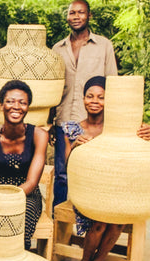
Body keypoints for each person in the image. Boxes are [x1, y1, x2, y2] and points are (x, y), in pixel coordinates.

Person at [66, 76, 150, 261]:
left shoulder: (123, 128)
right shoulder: (74, 128)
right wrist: (75, 146)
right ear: (83, 99)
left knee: (118, 220)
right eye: (90, 96)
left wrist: (145, 137)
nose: (94, 101)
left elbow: (140, 156)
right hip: (85, 192)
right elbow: (66, 164)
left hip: (116, 190)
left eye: (101, 97)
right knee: (100, 220)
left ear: (109, 101)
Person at [51, 0, 118, 208]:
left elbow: (112, 83)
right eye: (72, 13)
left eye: (81, 12)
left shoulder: (104, 45)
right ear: (67, 17)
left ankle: (94, 217)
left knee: (96, 172)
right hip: (65, 121)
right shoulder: (57, 48)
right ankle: (58, 223)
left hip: (94, 122)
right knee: (62, 174)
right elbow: (52, 88)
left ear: (89, 16)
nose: (76, 16)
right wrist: (51, 123)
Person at [0, 80, 49, 250]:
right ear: (1, 106)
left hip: (27, 196)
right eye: (10, 101)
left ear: (28, 107)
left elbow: (31, 182)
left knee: (20, 225)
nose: (16, 107)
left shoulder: (39, 135)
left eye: (22, 102)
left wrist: (6, 202)